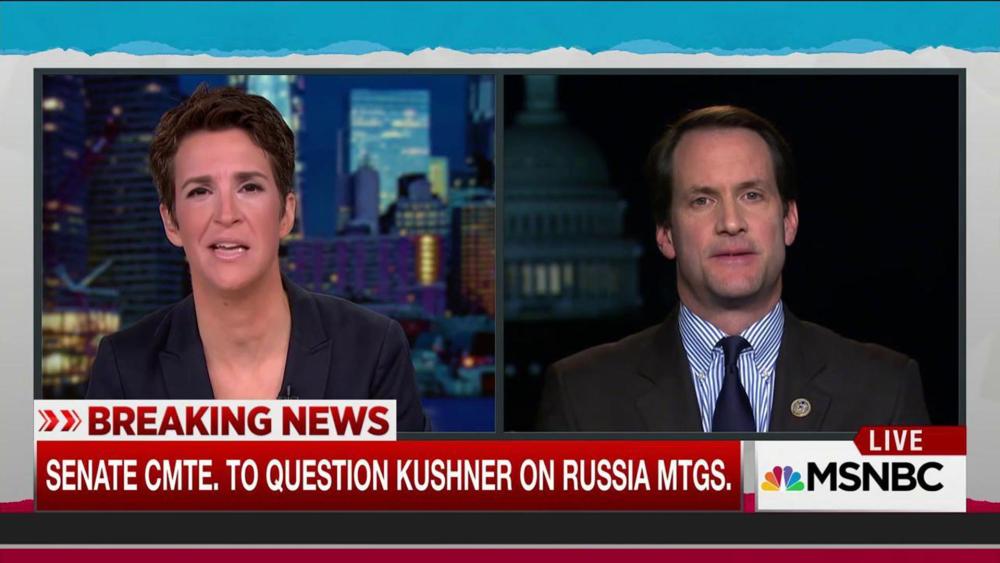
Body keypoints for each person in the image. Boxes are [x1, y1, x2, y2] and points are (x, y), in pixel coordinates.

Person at [537, 105, 929, 432]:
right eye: (702, 201)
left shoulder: (884, 389)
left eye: (752, 195)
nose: (730, 222)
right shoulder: (581, 395)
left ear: (789, 221)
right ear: (666, 234)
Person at [86, 85, 429, 431]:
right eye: (200, 191)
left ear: (286, 213)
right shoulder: (124, 368)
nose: (226, 214)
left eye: (249, 187)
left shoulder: (372, 350)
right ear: (172, 223)